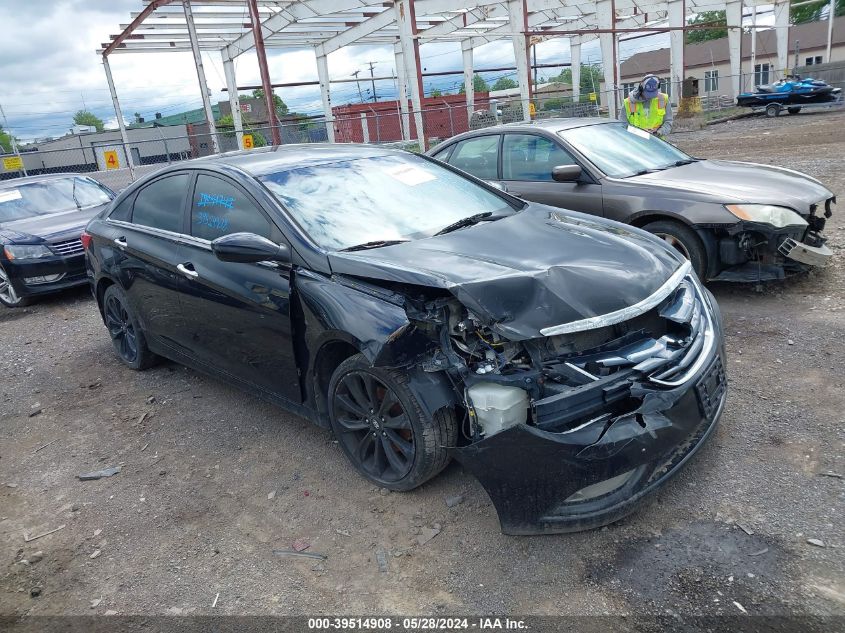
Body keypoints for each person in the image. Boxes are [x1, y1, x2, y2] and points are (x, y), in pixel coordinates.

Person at [622, 74, 673, 138]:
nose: (650, 97)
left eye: (653, 94)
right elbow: (623, 126)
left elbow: (668, 122)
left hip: (657, 142)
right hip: (636, 143)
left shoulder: (663, 99)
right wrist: (641, 133)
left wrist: (659, 132)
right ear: (640, 89)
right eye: (648, 94)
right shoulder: (628, 103)